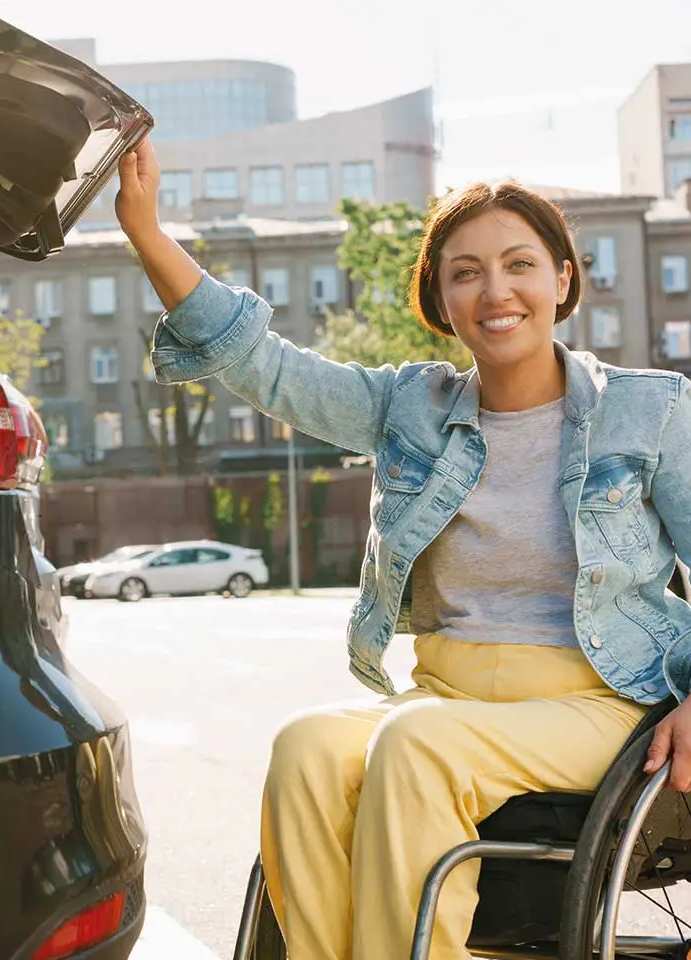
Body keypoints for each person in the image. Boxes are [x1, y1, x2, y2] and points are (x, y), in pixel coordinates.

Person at [114, 137, 691, 960]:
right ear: (441, 300)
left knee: (417, 747)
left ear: (562, 280)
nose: (497, 290)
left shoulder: (652, 411)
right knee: (306, 749)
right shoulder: (408, 409)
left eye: (520, 264)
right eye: (466, 272)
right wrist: (146, 231)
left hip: (600, 698)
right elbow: (263, 367)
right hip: (446, 689)